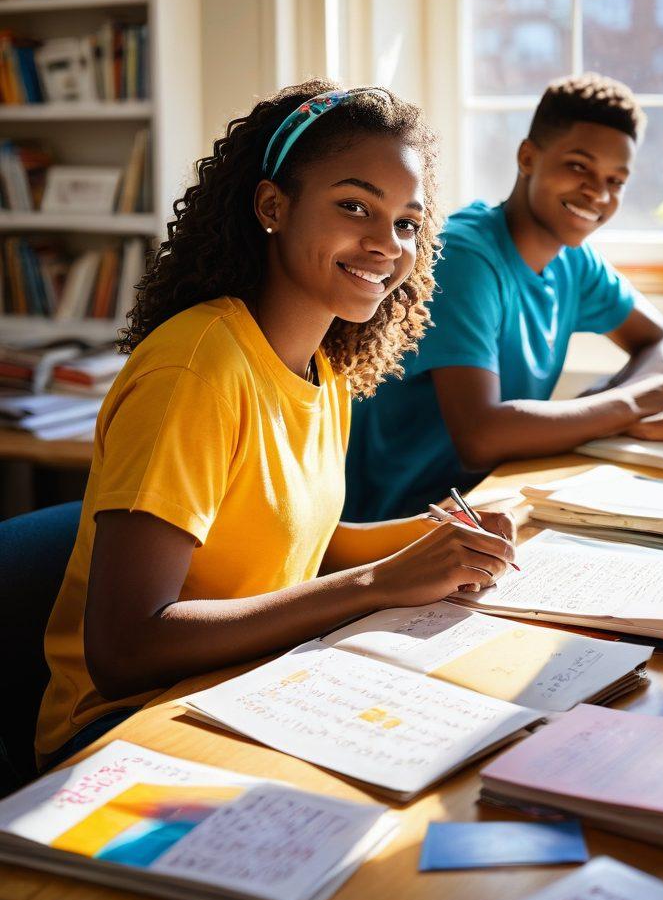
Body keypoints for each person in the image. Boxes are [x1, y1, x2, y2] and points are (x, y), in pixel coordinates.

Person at [36, 80, 515, 768]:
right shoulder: (195, 372)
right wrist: (378, 586)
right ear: (272, 206)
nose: (388, 244)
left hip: (256, 690)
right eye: (355, 206)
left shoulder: (323, 366)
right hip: (127, 734)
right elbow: (124, 650)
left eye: (407, 223)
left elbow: (304, 543)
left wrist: (441, 539)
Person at [344, 73, 663, 521]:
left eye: (616, 180)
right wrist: (629, 409)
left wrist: (621, 410)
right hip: (399, 524)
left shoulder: (574, 260)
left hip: (489, 503)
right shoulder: (466, 257)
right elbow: (481, 439)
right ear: (528, 157)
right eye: (578, 166)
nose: (598, 192)